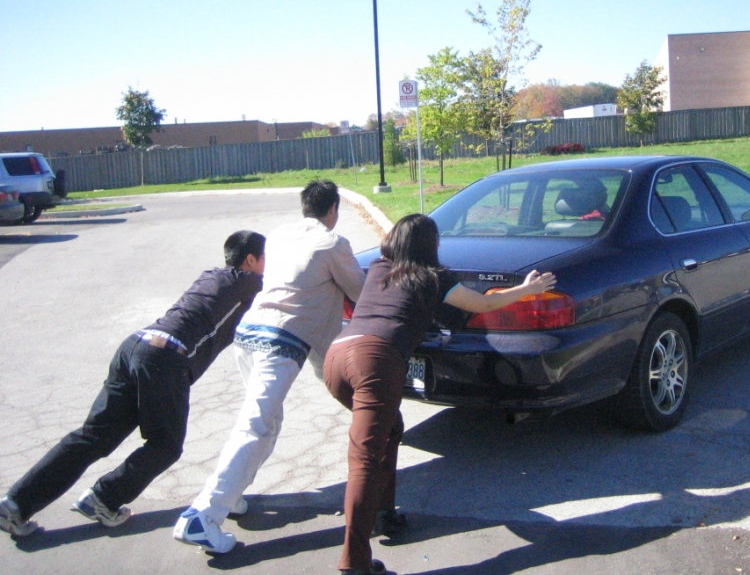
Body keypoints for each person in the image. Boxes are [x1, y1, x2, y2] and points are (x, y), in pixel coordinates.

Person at [323, 213, 556, 575]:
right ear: (431, 246)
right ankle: (354, 564)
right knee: (364, 459)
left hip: (337, 357)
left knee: (391, 429)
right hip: (376, 360)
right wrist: (528, 289)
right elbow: (484, 305)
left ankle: (384, 513)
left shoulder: (378, 269)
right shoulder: (434, 277)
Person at [0, 230, 266, 538]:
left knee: (95, 435)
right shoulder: (250, 282)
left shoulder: (211, 275)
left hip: (135, 346)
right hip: (165, 358)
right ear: (250, 260)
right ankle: (104, 497)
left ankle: (16, 504)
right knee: (165, 445)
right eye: (265, 258)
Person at [173, 180, 366, 553]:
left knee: (266, 424)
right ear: (333, 209)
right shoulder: (333, 243)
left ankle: (231, 496)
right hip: (280, 343)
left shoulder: (278, 235)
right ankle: (202, 516)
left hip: (247, 334)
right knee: (256, 425)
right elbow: (357, 291)